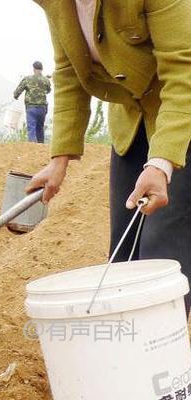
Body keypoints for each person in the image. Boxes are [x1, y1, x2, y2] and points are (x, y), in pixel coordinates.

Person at [27, 0, 191, 313]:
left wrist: (161, 162)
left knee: (163, 252)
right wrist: (58, 159)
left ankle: (161, 354)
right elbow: (69, 72)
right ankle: (122, 351)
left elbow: (185, 70)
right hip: (132, 120)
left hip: (182, 117)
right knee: (123, 254)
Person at [13, 61, 52, 143]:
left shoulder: (27, 79)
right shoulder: (46, 80)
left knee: (31, 127)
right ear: (42, 69)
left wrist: (16, 96)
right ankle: (40, 147)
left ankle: (32, 146)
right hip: (42, 107)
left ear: (34, 69)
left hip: (31, 108)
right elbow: (48, 91)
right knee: (40, 127)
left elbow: (18, 91)